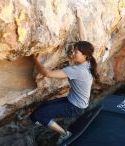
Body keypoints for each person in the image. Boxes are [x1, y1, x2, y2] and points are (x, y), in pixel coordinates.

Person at [29, 10, 99, 145]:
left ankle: (65, 134)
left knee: (40, 114)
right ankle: (40, 119)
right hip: (73, 101)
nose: (73, 53)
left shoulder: (76, 70)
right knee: (44, 106)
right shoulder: (89, 60)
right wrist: (79, 18)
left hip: (74, 107)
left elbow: (47, 73)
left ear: (85, 55)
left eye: (76, 52)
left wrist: (34, 60)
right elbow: (83, 37)